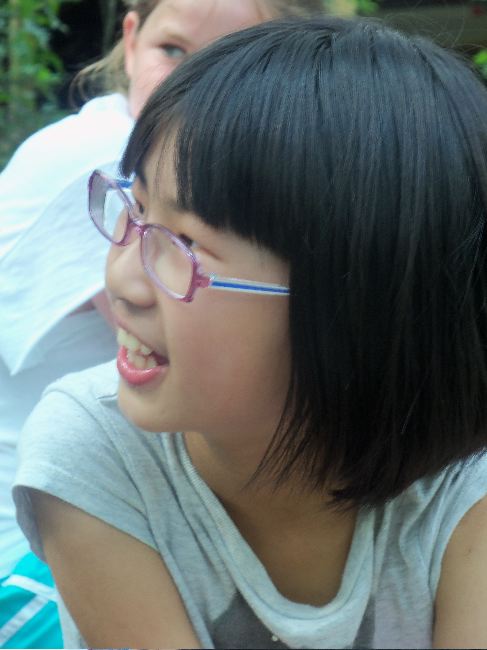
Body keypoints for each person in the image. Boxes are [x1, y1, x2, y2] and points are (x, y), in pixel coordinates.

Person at [13, 15, 487, 649]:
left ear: (355, 305)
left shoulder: (463, 485)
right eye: (137, 209)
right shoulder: (96, 450)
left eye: (186, 243)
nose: (123, 281)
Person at [0, 1, 322, 647]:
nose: (193, 82)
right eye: (172, 52)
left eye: (231, 59)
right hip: (26, 531)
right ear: (129, 39)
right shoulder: (106, 156)